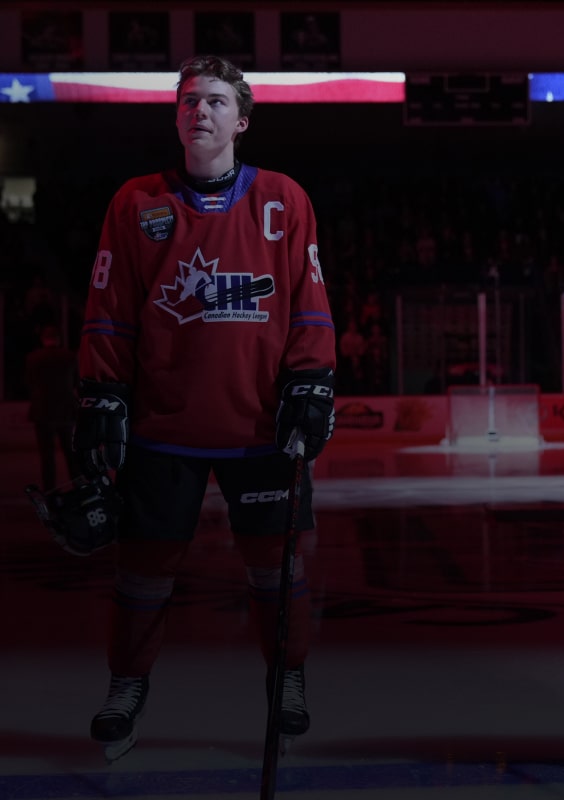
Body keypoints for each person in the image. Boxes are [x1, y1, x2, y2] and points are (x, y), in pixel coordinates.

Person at [73, 54, 336, 763]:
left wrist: (311, 384)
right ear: (176, 115)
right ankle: (126, 687)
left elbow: (309, 304)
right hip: (163, 428)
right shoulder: (135, 203)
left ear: (241, 121)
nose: (201, 111)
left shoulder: (283, 199)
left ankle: (287, 675)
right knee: (143, 572)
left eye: (216, 102)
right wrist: (101, 392)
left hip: (258, 430)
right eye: (190, 100)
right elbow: (110, 308)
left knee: (276, 570)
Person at [25, 324, 81, 490]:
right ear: (58, 339)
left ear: (43, 340)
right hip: (66, 412)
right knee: (71, 455)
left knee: (47, 457)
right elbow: (76, 383)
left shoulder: (32, 358)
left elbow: (28, 383)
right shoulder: (70, 357)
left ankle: (50, 491)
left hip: (43, 412)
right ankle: (78, 489)